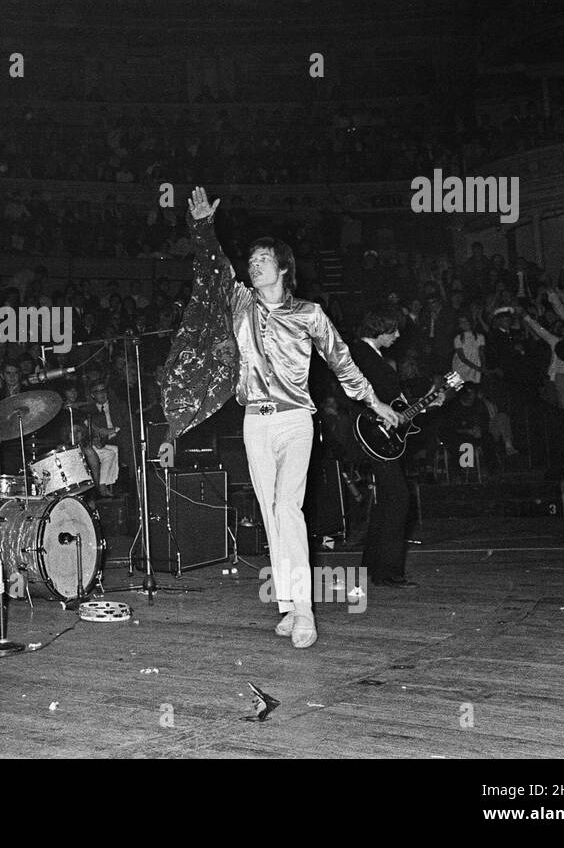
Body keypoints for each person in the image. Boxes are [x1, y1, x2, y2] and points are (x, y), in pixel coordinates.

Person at [164, 187, 399, 649]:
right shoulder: (240, 304)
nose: (255, 265)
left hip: (295, 420)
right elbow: (214, 268)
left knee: (289, 506)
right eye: (251, 260)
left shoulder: (309, 314)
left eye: (263, 259)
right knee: (272, 513)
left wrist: (375, 403)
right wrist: (202, 228)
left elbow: (343, 362)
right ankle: (290, 606)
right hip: (255, 421)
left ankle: (305, 611)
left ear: (283, 268)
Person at [350, 307, 438, 587]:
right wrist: (376, 414)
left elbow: (397, 408)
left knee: (388, 500)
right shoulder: (360, 354)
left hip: (383, 435)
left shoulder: (372, 356)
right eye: (394, 330)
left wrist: (426, 404)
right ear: (379, 328)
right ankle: (387, 572)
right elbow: (353, 391)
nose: (398, 336)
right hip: (372, 432)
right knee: (399, 498)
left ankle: (372, 568)